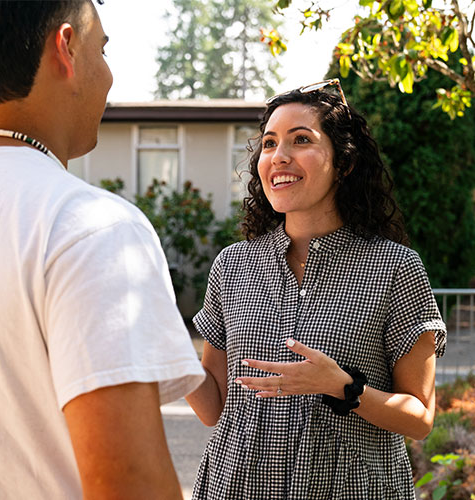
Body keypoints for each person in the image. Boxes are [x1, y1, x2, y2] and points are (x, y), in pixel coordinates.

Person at [0, 1, 204, 499]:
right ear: (66, 47)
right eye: (103, 48)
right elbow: (130, 487)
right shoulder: (91, 227)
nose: (109, 75)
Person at [186, 80, 447, 499]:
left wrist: (342, 386)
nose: (279, 156)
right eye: (268, 144)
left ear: (343, 163)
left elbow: (419, 417)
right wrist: (160, 343)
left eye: (300, 140)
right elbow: (214, 407)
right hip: (238, 486)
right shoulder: (232, 265)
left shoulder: (395, 268)